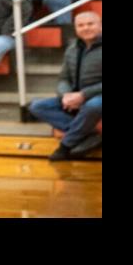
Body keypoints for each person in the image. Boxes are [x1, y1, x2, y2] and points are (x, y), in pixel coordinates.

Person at [27, 10, 102, 161]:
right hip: (76, 97)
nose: (86, 28)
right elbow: (63, 79)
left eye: (90, 24)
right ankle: (89, 135)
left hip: (96, 97)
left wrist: (83, 95)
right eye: (81, 25)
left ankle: (65, 146)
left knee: (93, 105)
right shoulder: (72, 48)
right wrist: (66, 95)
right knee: (37, 106)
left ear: (100, 25)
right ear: (76, 29)